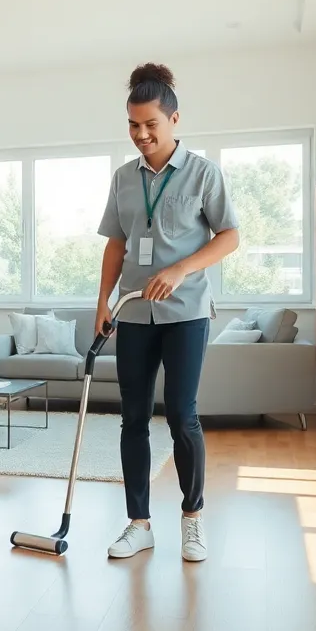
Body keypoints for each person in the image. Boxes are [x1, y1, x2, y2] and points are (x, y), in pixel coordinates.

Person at [95, 63, 239, 562]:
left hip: (186, 312)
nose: (141, 135)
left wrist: (181, 270)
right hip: (134, 313)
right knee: (132, 418)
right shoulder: (122, 179)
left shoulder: (203, 173)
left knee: (181, 415)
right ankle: (139, 523)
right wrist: (103, 304)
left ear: (175, 119)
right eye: (133, 125)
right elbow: (116, 244)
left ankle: (193, 519)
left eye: (151, 124)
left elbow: (230, 236)